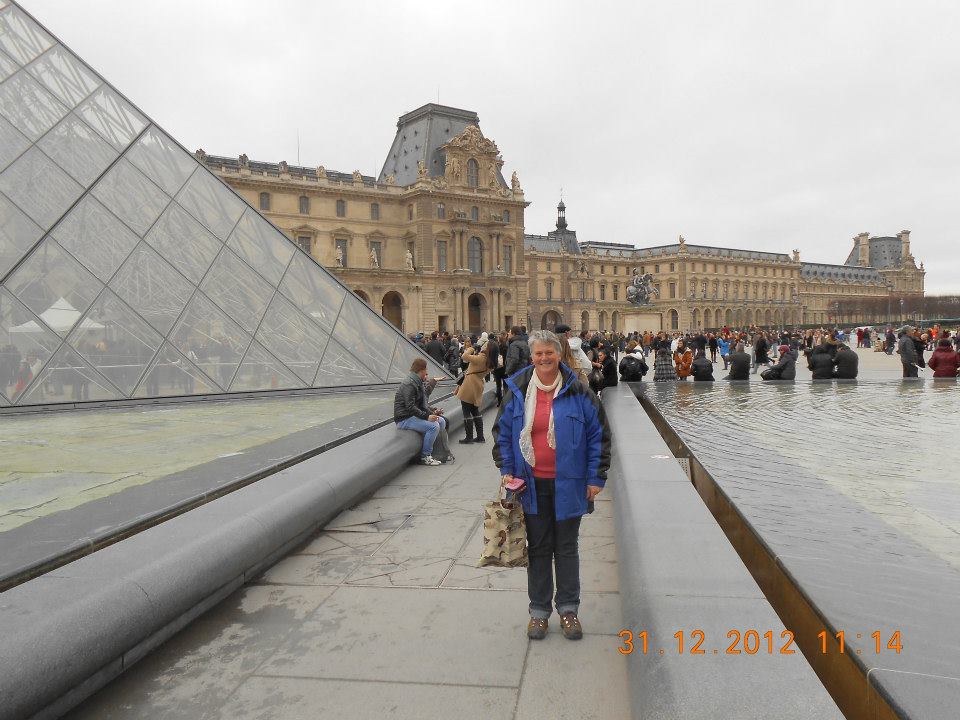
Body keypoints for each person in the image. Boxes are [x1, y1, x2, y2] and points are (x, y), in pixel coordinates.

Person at [492, 330, 611, 641]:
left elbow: (599, 435)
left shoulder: (579, 390)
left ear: (559, 354)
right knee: (539, 548)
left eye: (549, 352)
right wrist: (506, 468)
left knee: (567, 548)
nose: (544, 358)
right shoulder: (518, 389)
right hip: (529, 485)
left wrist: (596, 477)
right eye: (539, 353)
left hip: (569, 483)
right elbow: (502, 432)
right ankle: (539, 612)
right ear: (532, 357)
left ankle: (569, 609)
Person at [394, 358, 448, 465]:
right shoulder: (409, 384)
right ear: (421, 370)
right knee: (434, 426)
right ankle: (425, 456)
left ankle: (438, 452)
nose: (427, 372)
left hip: (411, 415)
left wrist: (432, 412)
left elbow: (421, 404)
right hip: (404, 419)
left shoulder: (417, 382)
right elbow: (410, 407)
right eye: (426, 369)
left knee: (441, 421)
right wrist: (427, 417)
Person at [455, 337, 488, 444]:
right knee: (475, 410)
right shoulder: (489, 360)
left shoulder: (481, 358)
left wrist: (472, 348)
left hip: (470, 385)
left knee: (466, 410)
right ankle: (480, 436)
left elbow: (464, 356)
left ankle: (469, 437)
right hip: (478, 384)